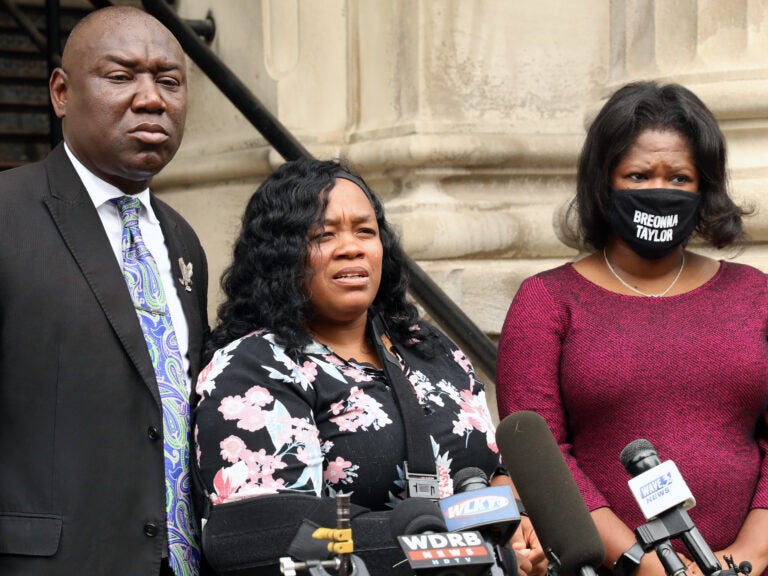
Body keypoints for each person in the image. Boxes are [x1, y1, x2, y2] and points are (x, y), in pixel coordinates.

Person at [193, 158, 546, 575]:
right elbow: (270, 539)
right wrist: (467, 554)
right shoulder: (254, 370)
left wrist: (516, 516)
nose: (352, 247)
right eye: (323, 235)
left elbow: (485, 470)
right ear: (279, 255)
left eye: (365, 231)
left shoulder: (427, 347)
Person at [496, 81, 768, 576]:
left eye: (679, 177)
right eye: (638, 174)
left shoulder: (756, 295)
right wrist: (644, 565)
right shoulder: (547, 302)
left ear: (704, 186)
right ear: (604, 184)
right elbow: (541, 461)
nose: (658, 191)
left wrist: (750, 555)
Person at [0, 7, 209, 576]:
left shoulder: (183, 240)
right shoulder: (7, 216)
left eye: (169, 81)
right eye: (121, 77)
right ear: (61, 93)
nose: (151, 99)